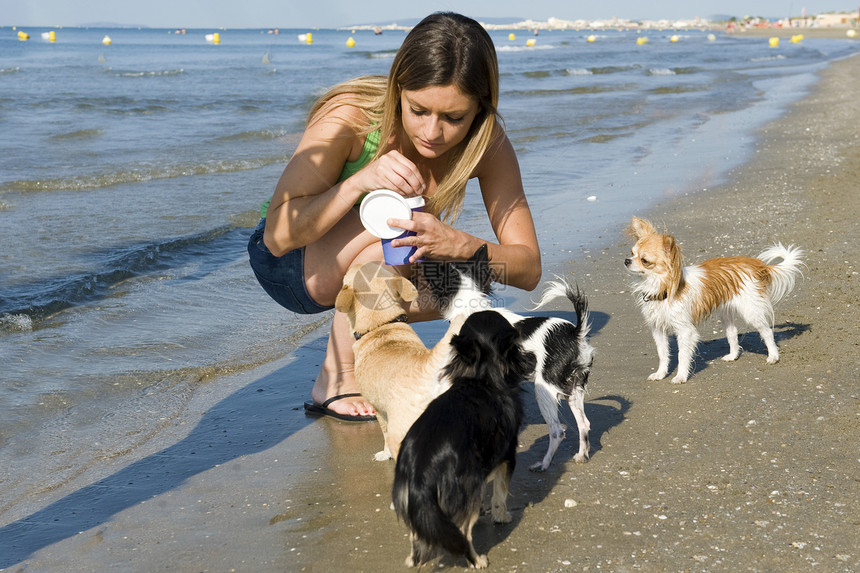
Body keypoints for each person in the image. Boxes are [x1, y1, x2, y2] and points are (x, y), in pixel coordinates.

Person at [248, 12, 541, 420]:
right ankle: (338, 376)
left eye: (454, 118)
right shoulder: (351, 116)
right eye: (418, 109)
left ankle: (378, 361)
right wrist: (357, 183)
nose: (432, 133)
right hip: (291, 266)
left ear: (479, 109)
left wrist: (459, 244)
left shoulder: (487, 144)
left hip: (375, 261)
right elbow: (276, 238)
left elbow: (527, 268)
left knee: (472, 284)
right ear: (397, 89)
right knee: (395, 236)